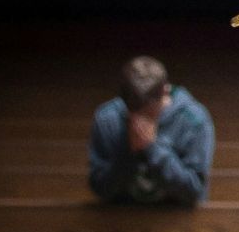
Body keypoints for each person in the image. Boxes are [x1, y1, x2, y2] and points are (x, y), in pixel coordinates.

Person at [87, 55, 213, 205]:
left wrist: (153, 149)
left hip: (176, 223)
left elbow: (194, 191)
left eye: (149, 112)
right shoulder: (107, 119)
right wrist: (128, 153)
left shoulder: (194, 120)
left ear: (166, 91)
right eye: (133, 111)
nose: (140, 120)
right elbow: (100, 189)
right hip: (121, 221)